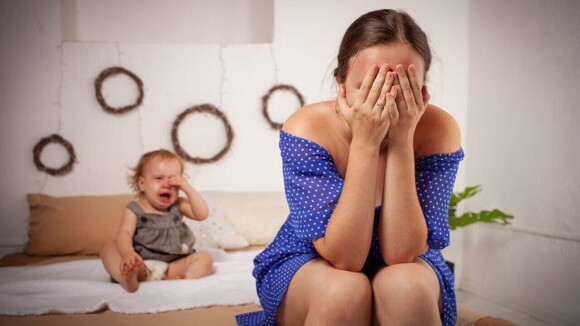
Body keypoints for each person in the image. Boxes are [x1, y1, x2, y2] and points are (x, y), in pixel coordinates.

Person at [237, 9, 463, 326]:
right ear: (341, 85)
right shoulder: (308, 127)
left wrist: (401, 141)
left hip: (410, 259)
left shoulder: (438, 128)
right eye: (369, 86)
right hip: (313, 259)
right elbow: (345, 258)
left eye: (402, 86)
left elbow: (402, 253)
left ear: (423, 89)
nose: (384, 100)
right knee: (344, 290)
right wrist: (365, 145)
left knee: (405, 287)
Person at [100, 149, 213, 292]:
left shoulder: (179, 204)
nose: (166, 184)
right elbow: (125, 234)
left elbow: (202, 214)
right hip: (141, 266)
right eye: (158, 178)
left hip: (173, 267)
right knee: (108, 246)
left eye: (173, 180)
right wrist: (128, 253)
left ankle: (186, 280)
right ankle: (127, 278)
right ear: (142, 183)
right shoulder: (135, 208)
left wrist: (188, 189)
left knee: (205, 257)